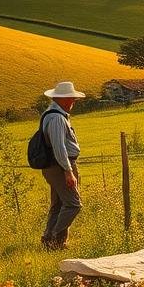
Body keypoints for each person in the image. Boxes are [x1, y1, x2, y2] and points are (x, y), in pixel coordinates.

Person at [40, 81, 85, 250]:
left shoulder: (52, 115)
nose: (73, 101)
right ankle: (55, 239)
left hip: (56, 165)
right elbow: (59, 147)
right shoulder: (57, 118)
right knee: (74, 204)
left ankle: (49, 239)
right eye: (72, 98)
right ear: (63, 99)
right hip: (60, 166)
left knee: (58, 204)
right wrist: (68, 171)